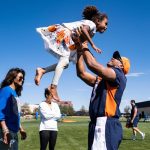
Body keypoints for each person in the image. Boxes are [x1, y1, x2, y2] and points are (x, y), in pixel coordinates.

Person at [34, 5, 108, 101]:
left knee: (66, 63)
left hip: (71, 39)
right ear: (98, 21)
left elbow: (81, 40)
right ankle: (53, 87)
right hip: (66, 33)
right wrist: (93, 45)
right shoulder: (92, 25)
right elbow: (84, 30)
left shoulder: (92, 31)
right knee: (64, 59)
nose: (106, 27)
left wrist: (82, 47)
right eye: (105, 23)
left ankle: (42, 70)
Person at [76, 46, 130, 150]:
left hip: (105, 123)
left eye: (117, 58)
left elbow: (92, 64)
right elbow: (81, 73)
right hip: (96, 124)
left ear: (121, 66)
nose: (113, 58)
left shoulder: (119, 75)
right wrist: (79, 52)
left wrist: (83, 44)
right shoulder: (103, 80)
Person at [0, 68, 27, 150]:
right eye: (20, 77)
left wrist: (21, 129)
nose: (22, 80)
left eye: (23, 78)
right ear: (12, 77)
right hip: (6, 131)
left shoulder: (15, 93)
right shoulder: (5, 90)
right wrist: (5, 131)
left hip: (13, 131)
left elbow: (16, 114)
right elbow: (0, 112)